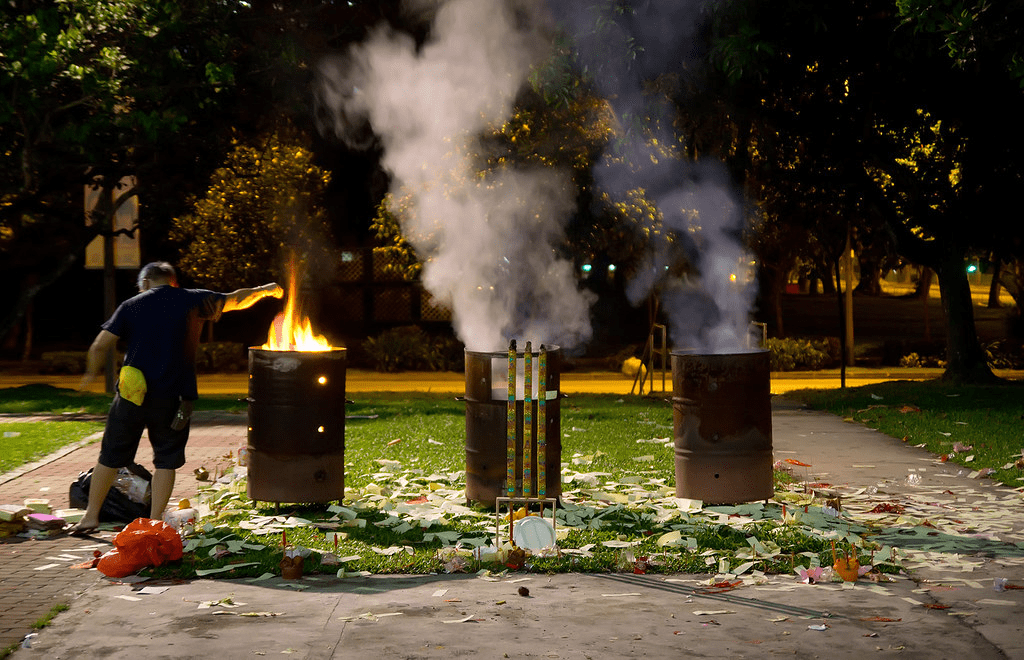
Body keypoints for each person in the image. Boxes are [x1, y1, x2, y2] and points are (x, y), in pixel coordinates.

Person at [70, 261, 283, 535]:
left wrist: (90, 374)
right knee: (166, 459)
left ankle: (90, 517)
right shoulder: (192, 300)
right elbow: (236, 300)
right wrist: (264, 290)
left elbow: (101, 344)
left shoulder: (132, 304)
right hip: (174, 397)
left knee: (110, 455)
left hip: (132, 395)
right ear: (173, 281)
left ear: (145, 282)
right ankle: (156, 520)